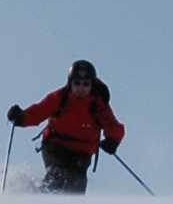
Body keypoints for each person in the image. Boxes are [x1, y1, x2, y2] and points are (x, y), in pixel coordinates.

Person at [9, 60, 126, 194]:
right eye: (77, 83)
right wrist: (21, 117)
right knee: (57, 175)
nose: (81, 88)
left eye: (86, 84)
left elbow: (113, 126)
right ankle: (38, 200)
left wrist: (112, 140)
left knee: (77, 184)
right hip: (56, 144)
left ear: (92, 85)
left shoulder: (98, 106)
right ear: (70, 83)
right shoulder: (59, 98)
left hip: (83, 150)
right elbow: (39, 112)